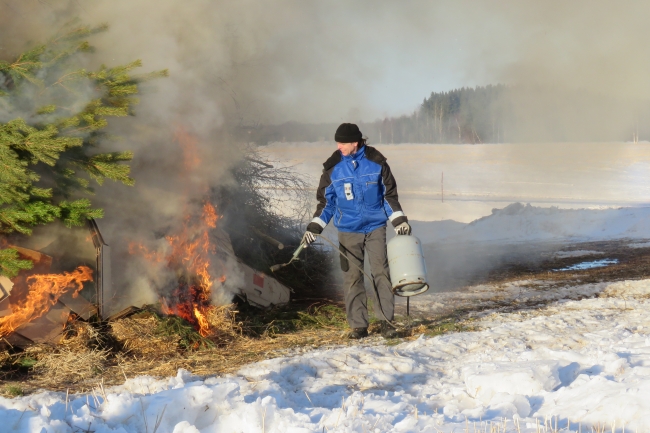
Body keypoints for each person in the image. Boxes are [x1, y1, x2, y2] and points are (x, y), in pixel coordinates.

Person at [302, 123, 411, 339]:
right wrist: (315, 226)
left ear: (355, 142)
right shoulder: (333, 168)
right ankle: (358, 325)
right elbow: (326, 203)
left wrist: (398, 220)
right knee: (352, 277)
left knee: (381, 273)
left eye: (342, 142)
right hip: (348, 230)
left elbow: (389, 196)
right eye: (337, 141)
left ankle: (387, 322)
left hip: (375, 227)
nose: (338, 146)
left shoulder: (377, 162)